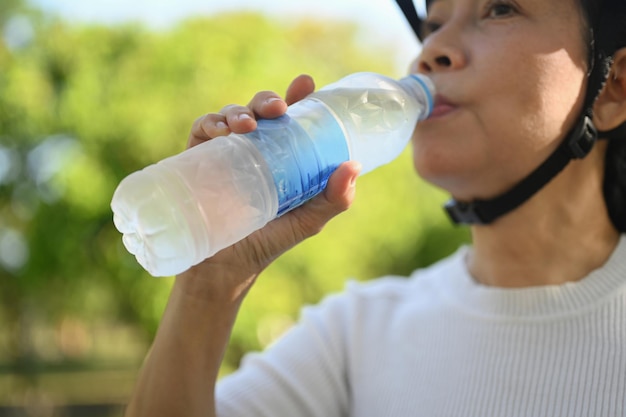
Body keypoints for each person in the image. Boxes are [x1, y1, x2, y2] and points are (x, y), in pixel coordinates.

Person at [124, 0, 626, 416]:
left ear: (614, 86)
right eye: (432, 26)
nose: (431, 51)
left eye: (499, 9)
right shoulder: (355, 336)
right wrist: (210, 283)